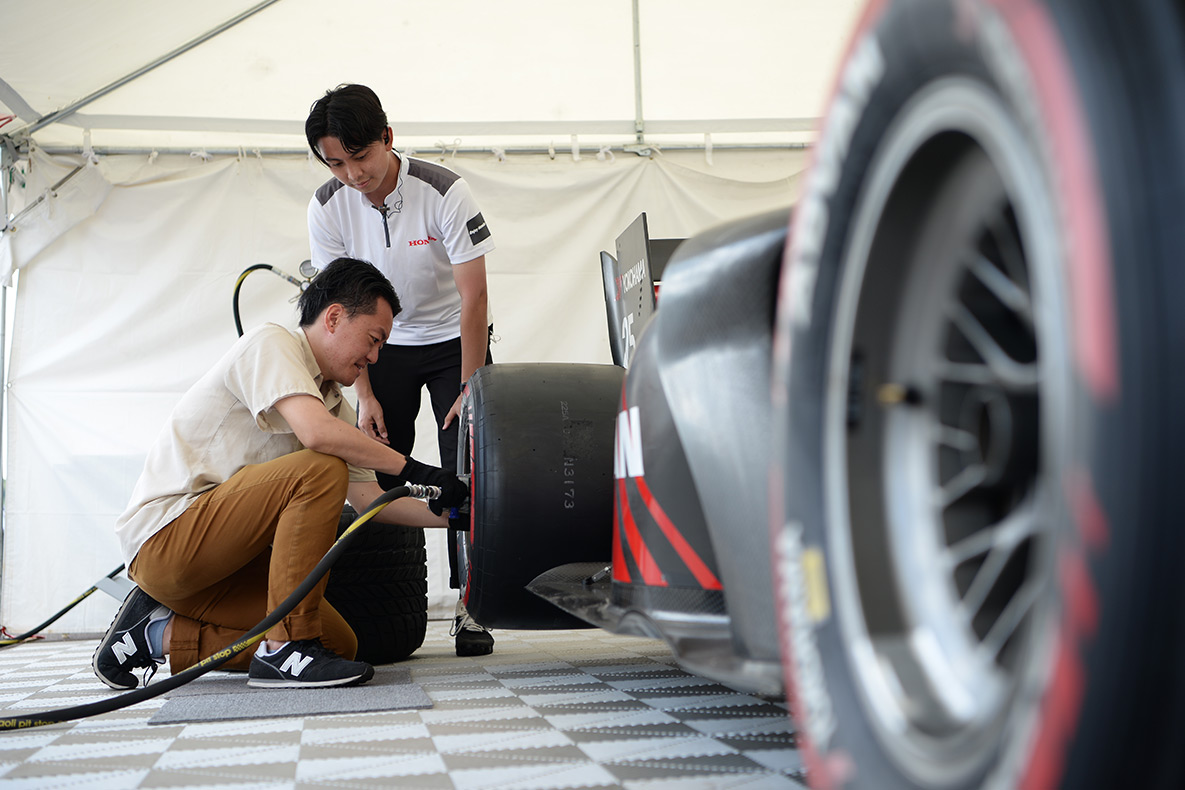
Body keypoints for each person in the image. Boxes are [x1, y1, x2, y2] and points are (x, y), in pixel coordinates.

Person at [93, 257, 468, 691]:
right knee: (320, 468)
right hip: (166, 541)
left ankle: (151, 635)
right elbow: (314, 435)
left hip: (221, 568)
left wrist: (456, 516)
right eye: (373, 339)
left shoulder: (333, 410)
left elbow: (369, 502)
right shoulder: (271, 344)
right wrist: (414, 467)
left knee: (337, 643)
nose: (376, 356)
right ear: (333, 317)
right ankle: (286, 648)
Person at [304, 84, 496, 656]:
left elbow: (475, 298)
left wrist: (469, 387)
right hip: (379, 346)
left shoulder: (443, 192)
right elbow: (340, 311)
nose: (352, 174)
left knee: (470, 473)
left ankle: (472, 609)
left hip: (451, 341)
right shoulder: (326, 206)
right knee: (376, 472)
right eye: (336, 162)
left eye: (360, 157)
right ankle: (387, 601)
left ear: (388, 139)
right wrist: (363, 393)